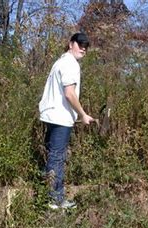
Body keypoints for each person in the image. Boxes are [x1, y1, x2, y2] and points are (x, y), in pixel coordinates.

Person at [39, 32, 96, 209]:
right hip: (61, 118)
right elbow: (69, 93)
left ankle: (49, 196)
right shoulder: (70, 64)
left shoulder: (60, 62)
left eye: (86, 46)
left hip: (51, 115)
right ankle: (55, 201)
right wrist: (83, 114)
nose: (83, 48)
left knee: (52, 155)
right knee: (57, 157)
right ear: (71, 44)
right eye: (80, 44)